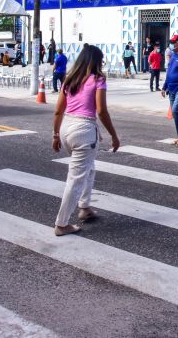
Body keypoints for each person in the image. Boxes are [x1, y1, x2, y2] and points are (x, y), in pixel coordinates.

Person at [51, 45, 120, 236]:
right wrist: (114, 135)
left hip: (66, 128)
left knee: (88, 168)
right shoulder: (98, 79)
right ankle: (62, 223)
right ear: (97, 61)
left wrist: (55, 135)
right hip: (84, 129)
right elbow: (101, 110)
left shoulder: (69, 80)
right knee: (76, 178)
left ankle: (85, 206)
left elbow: (58, 110)